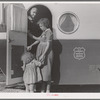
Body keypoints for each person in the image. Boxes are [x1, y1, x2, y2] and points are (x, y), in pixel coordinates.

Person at [27, 18, 53, 92]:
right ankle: (42, 88)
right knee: (41, 70)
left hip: (46, 53)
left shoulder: (49, 32)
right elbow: (39, 39)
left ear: (45, 25)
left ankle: (47, 89)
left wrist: (43, 55)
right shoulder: (44, 32)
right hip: (41, 52)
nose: (40, 27)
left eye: (41, 26)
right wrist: (31, 45)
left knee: (47, 70)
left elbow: (48, 44)